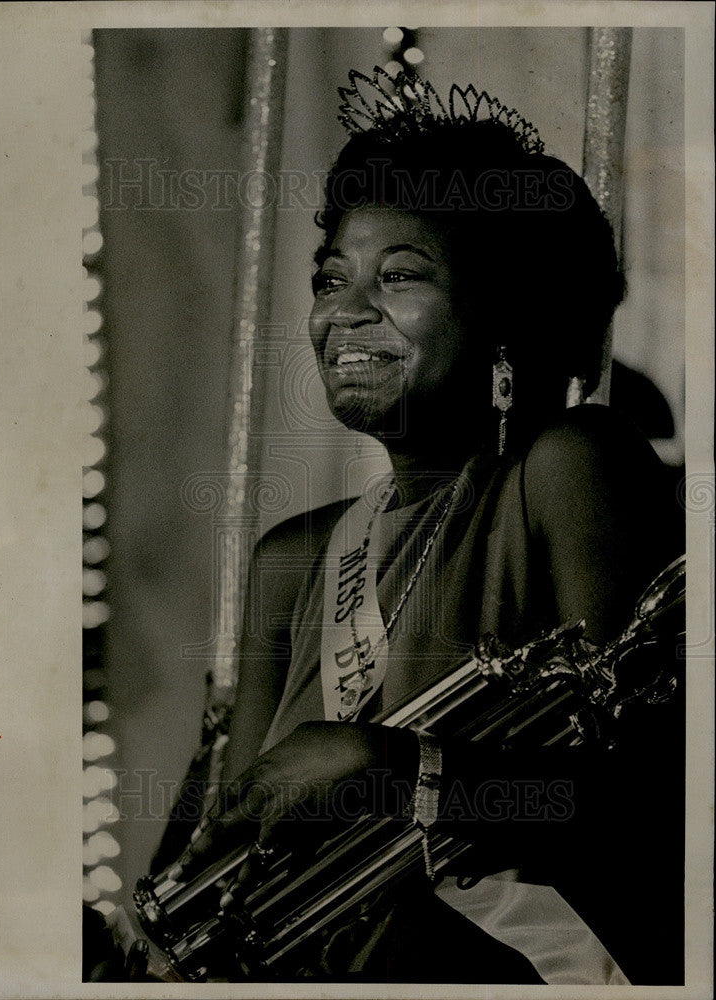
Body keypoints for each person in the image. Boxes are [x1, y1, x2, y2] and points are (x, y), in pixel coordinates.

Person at [154, 68, 683, 984]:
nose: (344, 314)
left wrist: (390, 766)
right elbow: (219, 857)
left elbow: (656, 795)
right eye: (331, 278)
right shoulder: (295, 557)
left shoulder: (566, 467)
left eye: (399, 276)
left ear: (505, 318)